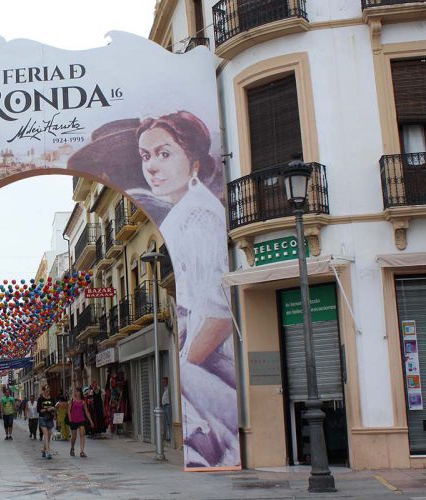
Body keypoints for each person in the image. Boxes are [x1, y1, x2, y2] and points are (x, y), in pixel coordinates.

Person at [135, 111, 238, 467]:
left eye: (164, 154)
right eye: (146, 156)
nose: (151, 166)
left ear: (193, 161)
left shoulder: (197, 216)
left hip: (214, 371)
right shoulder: (186, 212)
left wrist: (185, 367)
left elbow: (219, 314)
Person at [69, 387, 93, 458]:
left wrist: (91, 421)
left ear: (80, 393)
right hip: (73, 420)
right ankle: (72, 448)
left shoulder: (83, 401)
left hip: (81, 419)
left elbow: (86, 412)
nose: (77, 393)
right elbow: (68, 410)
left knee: (82, 434)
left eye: (78, 391)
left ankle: (82, 451)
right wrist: (70, 419)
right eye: (76, 391)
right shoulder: (72, 399)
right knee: (74, 437)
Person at [36, 385, 55, 459]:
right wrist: (47, 409)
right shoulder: (40, 399)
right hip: (42, 418)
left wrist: (53, 409)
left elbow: (54, 409)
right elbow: (39, 410)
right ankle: (48, 452)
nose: (48, 392)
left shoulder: (52, 399)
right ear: (43, 391)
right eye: (46, 391)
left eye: (49, 391)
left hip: (50, 418)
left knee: (49, 436)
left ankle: (44, 450)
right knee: (46, 435)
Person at [161, 377, 171, 442]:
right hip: (164, 406)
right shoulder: (165, 389)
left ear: (167, 381)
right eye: (162, 382)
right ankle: (167, 436)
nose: (163, 383)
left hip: (168, 406)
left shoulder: (169, 388)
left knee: (169, 422)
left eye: (164, 382)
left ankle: (169, 437)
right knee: (166, 422)